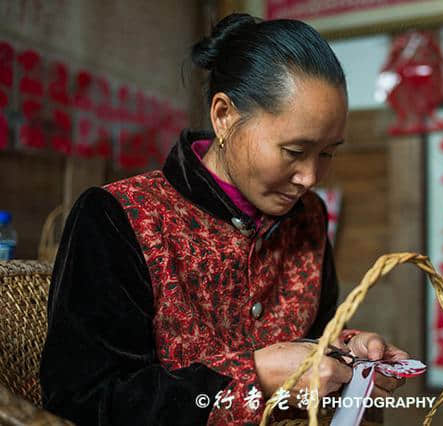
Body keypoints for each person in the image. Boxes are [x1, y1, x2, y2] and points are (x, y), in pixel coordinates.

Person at [39, 13, 409, 426]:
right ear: (224, 116)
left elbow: (314, 337)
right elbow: (81, 402)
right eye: (293, 151)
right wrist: (259, 376)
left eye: (326, 153)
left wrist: (346, 355)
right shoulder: (118, 218)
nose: (309, 178)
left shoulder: (309, 219)